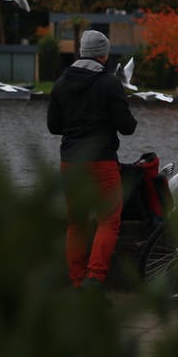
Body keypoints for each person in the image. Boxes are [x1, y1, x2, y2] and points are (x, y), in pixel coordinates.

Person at [46, 30, 137, 289]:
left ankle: (76, 281)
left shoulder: (61, 83)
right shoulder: (109, 84)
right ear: (103, 55)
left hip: (70, 163)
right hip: (101, 162)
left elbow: (53, 126)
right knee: (108, 220)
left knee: (76, 224)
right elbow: (127, 127)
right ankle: (95, 279)